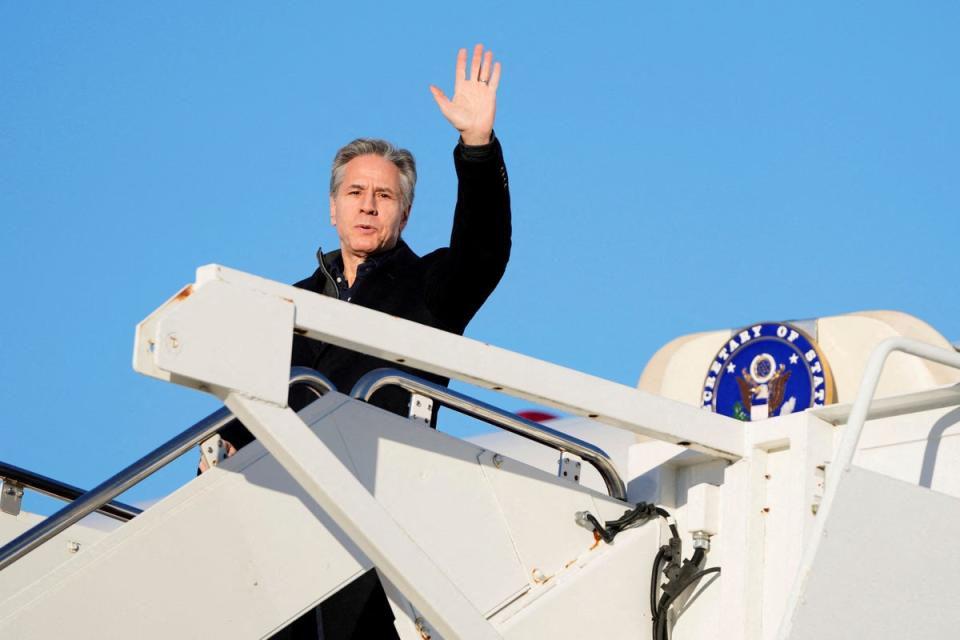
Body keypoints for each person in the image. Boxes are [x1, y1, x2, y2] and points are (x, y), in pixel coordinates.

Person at [200, 44, 511, 639]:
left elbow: (485, 249)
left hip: (380, 516)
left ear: (405, 212)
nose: (368, 206)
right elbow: (246, 407)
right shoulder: (285, 303)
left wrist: (477, 147)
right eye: (356, 193)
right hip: (283, 519)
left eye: (385, 196)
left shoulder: (431, 288)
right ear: (333, 208)